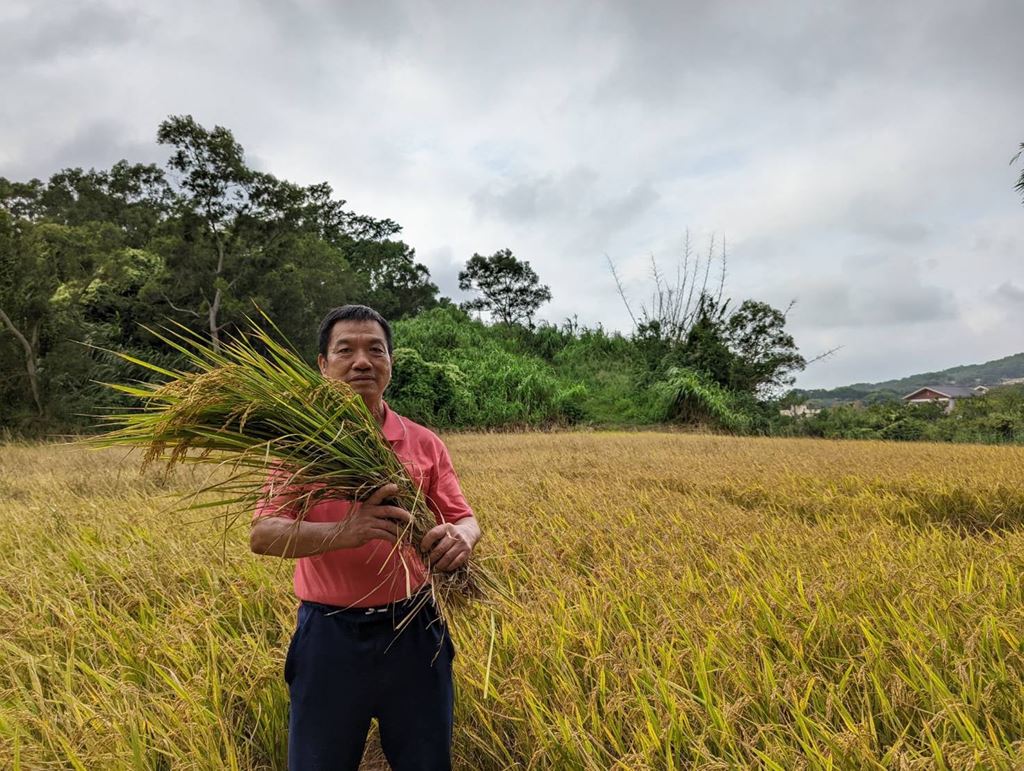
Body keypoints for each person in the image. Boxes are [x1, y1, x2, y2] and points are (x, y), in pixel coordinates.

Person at [250, 304, 481, 771]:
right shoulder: (300, 449)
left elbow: (464, 518)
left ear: (390, 362)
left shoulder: (423, 442)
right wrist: (345, 532)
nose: (362, 361)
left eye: (375, 350)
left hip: (416, 631)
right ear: (323, 365)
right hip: (329, 638)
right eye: (346, 351)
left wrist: (461, 539)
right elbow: (263, 534)